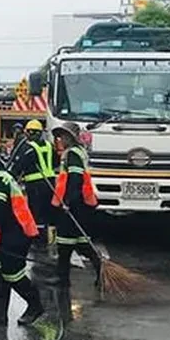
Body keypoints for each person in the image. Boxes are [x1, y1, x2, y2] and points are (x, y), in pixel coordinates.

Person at [0, 143, 46, 326]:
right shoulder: (1, 176)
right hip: (10, 230)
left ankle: (35, 304)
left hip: (15, 232)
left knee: (12, 273)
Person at [51, 123, 103, 288]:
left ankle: (63, 278)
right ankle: (96, 269)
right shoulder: (76, 152)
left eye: (64, 136)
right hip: (81, 203)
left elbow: (75, 180)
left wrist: (68, 202)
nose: (61, 139)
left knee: (65, 243)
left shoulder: (73, 154)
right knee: (79, 242)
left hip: (75, 204)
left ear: (71, 138)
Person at [10, 119, 55, 244]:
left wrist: (11, 176)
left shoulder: (28, 148)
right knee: (47, 212)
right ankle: (49, 238)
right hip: (50, 183)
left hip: (35, 186)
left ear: (28, 133)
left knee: (36, 213)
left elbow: (19, 166)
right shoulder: (49, 146)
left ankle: (38, 240)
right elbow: (55, 162)